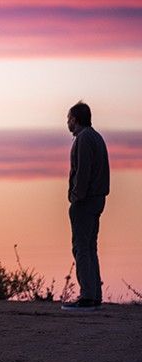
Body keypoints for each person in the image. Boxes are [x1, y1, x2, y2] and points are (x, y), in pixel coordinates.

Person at [62, 101, 110, 311]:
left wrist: (76, 196)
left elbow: (83, 172)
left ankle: (87, 296)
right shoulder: (96, 137)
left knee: (81, 247)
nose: (67, 122)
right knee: (90, 247)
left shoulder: (83, 139)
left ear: (76, 118)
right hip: (97, 199)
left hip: (86, 201)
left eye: (69, 118)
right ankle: (94, 295)